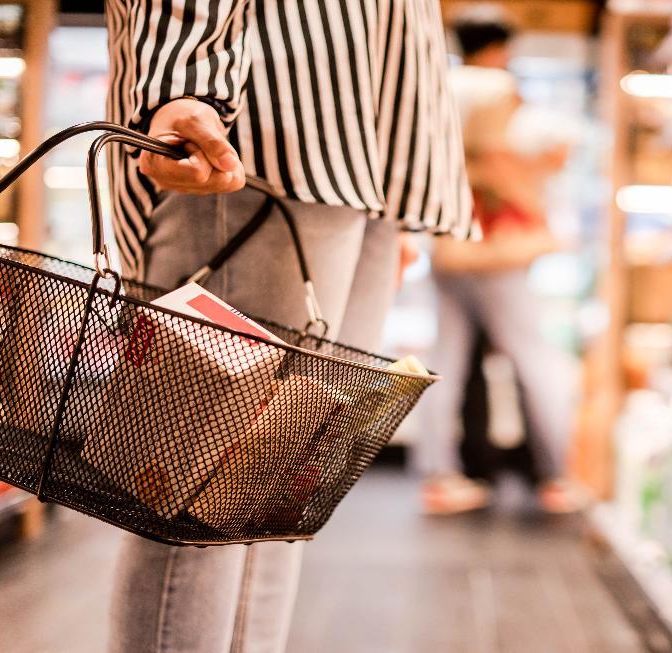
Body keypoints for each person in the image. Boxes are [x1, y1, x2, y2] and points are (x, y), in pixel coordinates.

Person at [104, 2, 470, 652]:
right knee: (195, 504)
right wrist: (181, 82)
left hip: (368, 141)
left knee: (277, 500)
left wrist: (401, 189)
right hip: (260, 127)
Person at [416, 10, 584, 515]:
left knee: (443, 360)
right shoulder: (497, 89)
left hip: (447, 241)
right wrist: (536, 209)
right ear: (500, 47)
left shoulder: (438, 83)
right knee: (535, 360)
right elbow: (492, 160)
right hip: (495, 245)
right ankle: (557, 476)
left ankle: (438, 475)